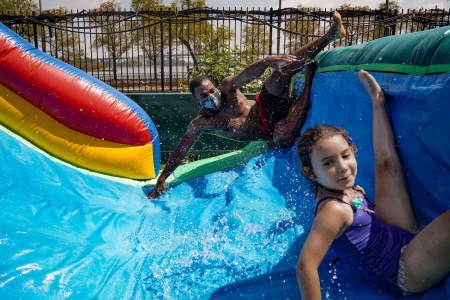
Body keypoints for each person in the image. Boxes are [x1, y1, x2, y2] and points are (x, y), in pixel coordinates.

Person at [147, 11, 347, 199]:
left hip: (265, 105)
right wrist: (163, 177)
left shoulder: (227, 89)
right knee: (284, 134)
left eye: (210, 90)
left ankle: (330, 36)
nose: (210, 95)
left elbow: (247, 75)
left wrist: (267, 61)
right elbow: (181, 150)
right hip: (270, 133)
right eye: (204, 95)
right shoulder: (202, 123)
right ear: (196, 100)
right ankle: (309, 81)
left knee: (280, 73)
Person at [295, 70, 450, 298]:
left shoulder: (342, 189)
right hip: (404, 270)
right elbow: (305, 266)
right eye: (329, 163)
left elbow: (382, 158)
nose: (343, 167)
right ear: (311, 173)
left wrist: (377, 103)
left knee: (386, 165)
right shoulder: (334, 210)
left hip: (394, 235)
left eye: (345, 156)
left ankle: (378, 101)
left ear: (353, 151)